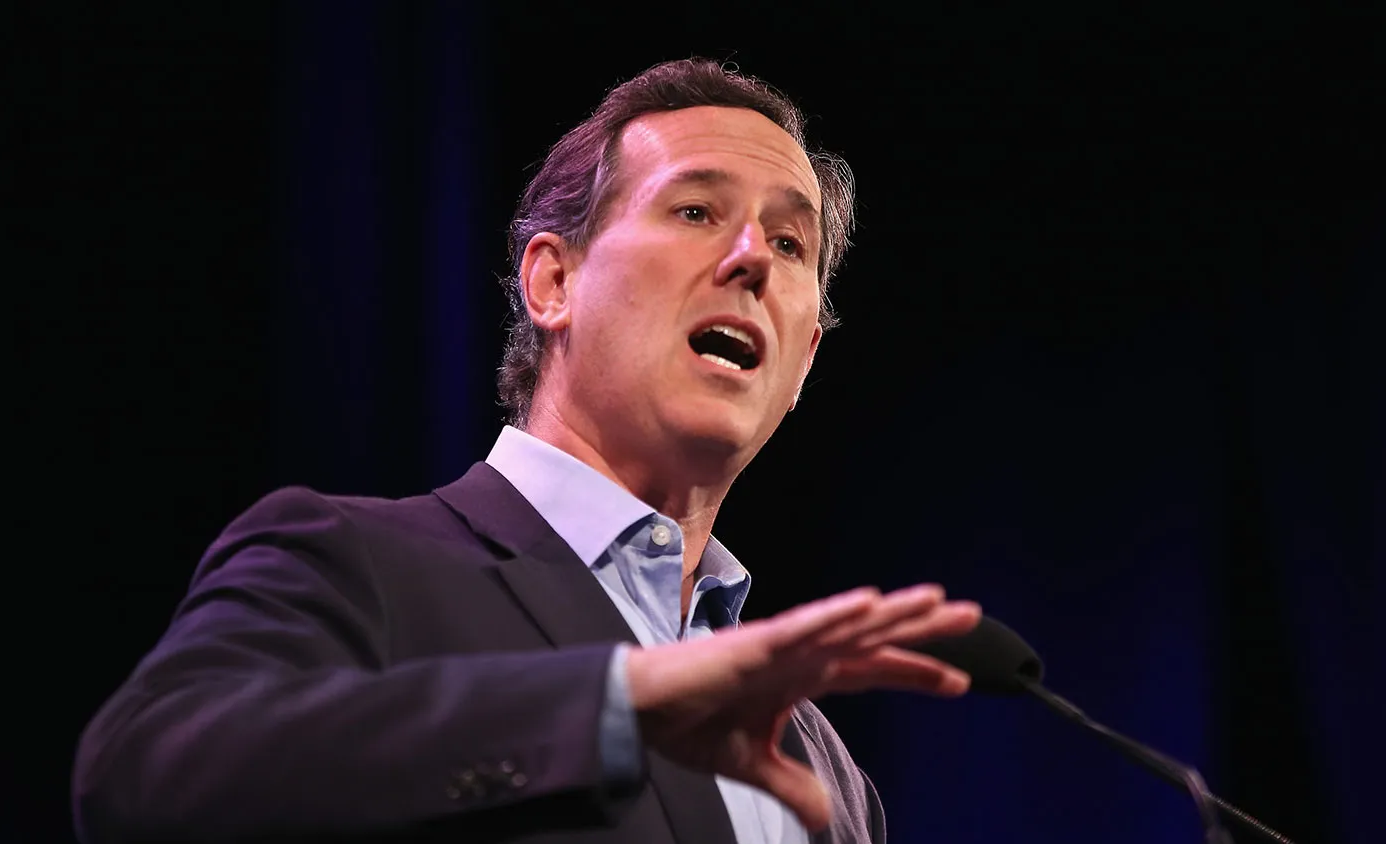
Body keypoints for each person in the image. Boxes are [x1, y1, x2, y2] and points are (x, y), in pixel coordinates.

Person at [71, 58, 981, 844]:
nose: (753, 258)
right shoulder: (355, 564)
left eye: (792, 243)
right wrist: (619, 705)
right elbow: (145, 780)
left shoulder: (818, 759)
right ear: (553, 280)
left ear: (805, 360)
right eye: (697, 210)